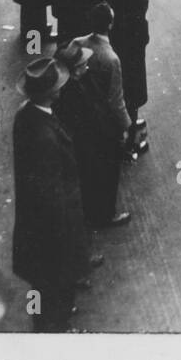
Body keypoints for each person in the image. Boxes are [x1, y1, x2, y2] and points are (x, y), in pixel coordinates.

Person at [12, 56, 88, 332]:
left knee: (46, 282)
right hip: (54, 227)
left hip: (36, 225)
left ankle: (53, 319)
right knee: (56, 280)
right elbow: (51, 192)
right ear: (50, 92)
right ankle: (57, 326)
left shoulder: (26, 114)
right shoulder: (44, 136)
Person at [55, 26, 131, 228]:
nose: (86, 66)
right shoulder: (72, 92)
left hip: (92, 140)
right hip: (93, 143)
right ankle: (104, 215)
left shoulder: (75, 82)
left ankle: (97, 213)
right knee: (102, 177)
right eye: (81, 64)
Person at [90, 0, 149, 157]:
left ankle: (118, 127)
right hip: (129, 41)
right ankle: (129, 138)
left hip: (105, 38)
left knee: (110, 87)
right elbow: (140, 8)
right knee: (130, 89)